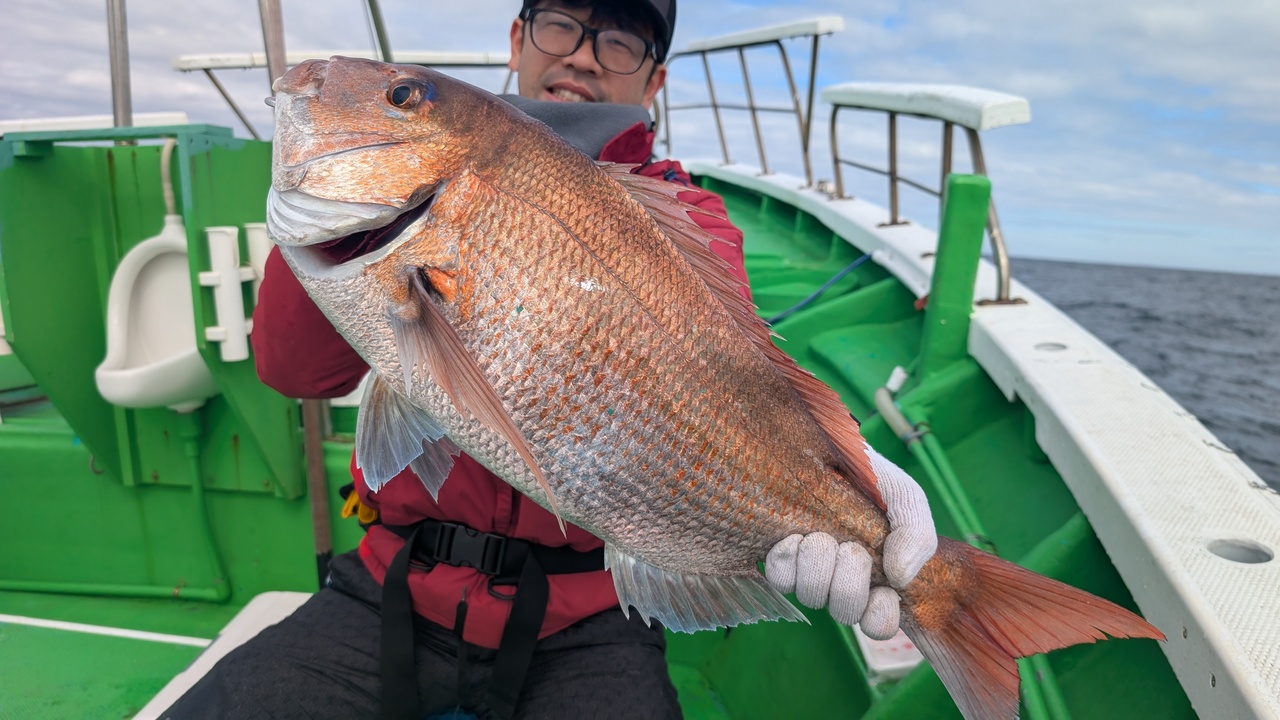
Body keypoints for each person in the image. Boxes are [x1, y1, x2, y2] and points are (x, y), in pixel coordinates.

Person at [163, 1, 937, 718]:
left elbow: (724, 370)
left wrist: (847, 473)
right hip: (390, 588)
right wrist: (328, 223)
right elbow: (296, 372)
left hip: (588, 618)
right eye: (562, 22)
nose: (584, 55)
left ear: (654, 81)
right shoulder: (396, 214)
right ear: (517, 39)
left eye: (620, 40)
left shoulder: (687, 214)